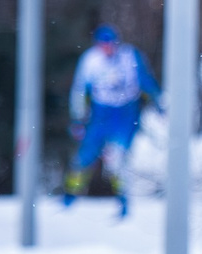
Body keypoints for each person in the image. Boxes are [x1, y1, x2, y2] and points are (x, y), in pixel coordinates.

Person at [64, 25, 161, 217]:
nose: (108, 48)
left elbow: (145, 80)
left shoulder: (130, 56)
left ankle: (123, 200)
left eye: (111, 44)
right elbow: (80, 90)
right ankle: (70, 195)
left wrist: (158, 99)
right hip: (100, 113)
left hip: (125, 113)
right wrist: (77, 118)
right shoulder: (90, 60)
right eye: (103, 44)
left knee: (117, 158)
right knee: (85, 157)